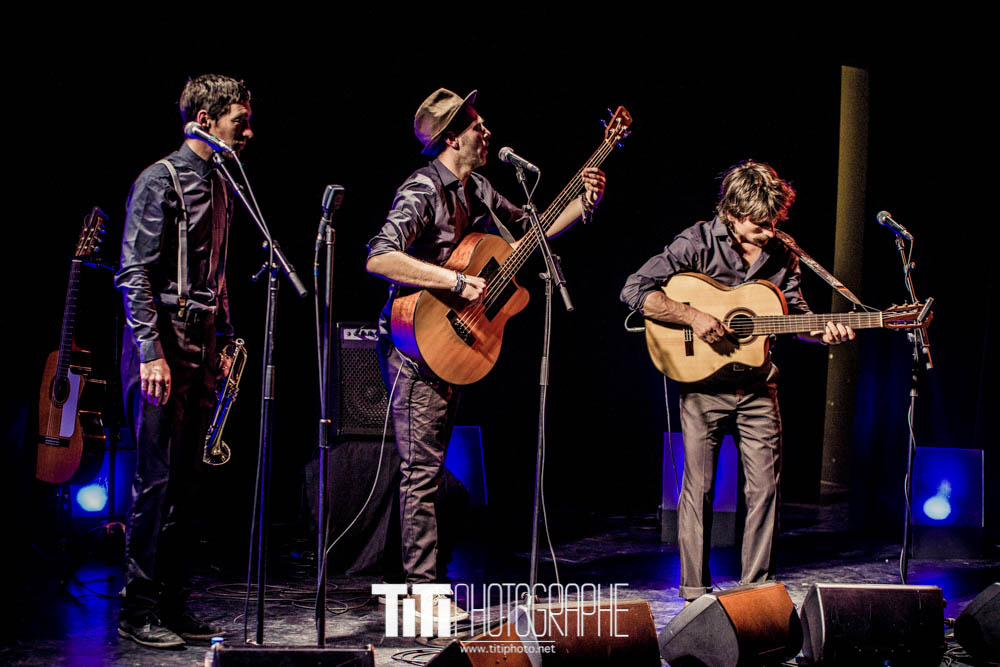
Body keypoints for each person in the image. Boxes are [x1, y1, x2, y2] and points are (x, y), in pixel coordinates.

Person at [366, 88, 606, 618]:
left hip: (452, 343)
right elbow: (380, 258)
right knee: (422, 474)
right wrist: (455, 279)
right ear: (452, 136)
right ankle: (424, 601)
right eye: (477, 124)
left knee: (428, 474)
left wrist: (580, 203)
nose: (487, 131)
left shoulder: (480, 187)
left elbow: (530, 234)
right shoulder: (421, 190)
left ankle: (421, 586)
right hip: (415, 343)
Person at [620, 160, 854, 603]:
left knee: (765, 488)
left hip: (757, 387)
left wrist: (821, 331)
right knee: (700, 488)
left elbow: (795, 314)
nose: (769, 231)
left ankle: (756, 592)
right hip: (702, 386)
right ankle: (694, 593)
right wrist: (693, 315)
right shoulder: (697, 241)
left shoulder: (783, 253)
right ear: (731, 212)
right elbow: (635, 290)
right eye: (759, 223)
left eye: (774, 222)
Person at [115, 74, 253, 648]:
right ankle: (137, 609)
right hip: (162, 345)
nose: (248, 130)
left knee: (188, 484)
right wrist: (151, 354)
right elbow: (134, 275)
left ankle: (174, 603)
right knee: (156, 480)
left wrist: (220, 342)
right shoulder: (159, 179)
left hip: (199, 343)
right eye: (238, 120)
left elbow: (215, 276)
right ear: (204, 117)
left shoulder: (222, 185)